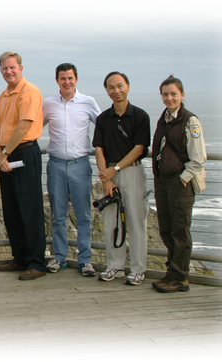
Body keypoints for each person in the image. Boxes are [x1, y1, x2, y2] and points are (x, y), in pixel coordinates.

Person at [0, 51, 47, 281]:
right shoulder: (4, 95)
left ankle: (37, 262)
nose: (9, 71)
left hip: (24, 153)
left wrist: (4, 153)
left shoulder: (29, 91)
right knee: (12, 209)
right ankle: (20, 257)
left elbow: (24, 126)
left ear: (21, 68)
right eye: (4, 68)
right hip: (6, 156)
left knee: (30, 209)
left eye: (12, 67)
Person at [92, 71, 151, 286]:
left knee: (136, 222)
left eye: (119, 86)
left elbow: (139, 149)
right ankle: (115, 266)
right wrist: (106, 179)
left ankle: (137, 269)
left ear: (127, 86)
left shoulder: (140, 116)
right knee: (111, 223)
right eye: (111, 87)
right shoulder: (103, 119)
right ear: (106, 90)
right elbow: (98, 149)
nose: (116, 91)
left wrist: (115, 169)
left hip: (131, 172)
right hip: (108, 174)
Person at [42, 63, 101, 277]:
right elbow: (32, 127)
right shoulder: (48, 104)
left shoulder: (88, 102)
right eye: (62, 78)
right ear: (57, 80)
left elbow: (102, 126)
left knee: (83, 214)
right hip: (56, 164)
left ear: (76, 79)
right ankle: (59, 257)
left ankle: (85, 260)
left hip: (81, 165)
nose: (67, 82)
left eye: (70, 78)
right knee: (58, 215)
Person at [151, 75, 206, 293]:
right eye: (165, 94)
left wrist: (183, 179)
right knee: (166, 229)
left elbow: (198, 158)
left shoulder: (190, 121)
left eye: (173, 93)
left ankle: (181, 278)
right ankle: (172, 273)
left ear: (182, 95)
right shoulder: (164, 119)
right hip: (163, 181)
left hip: (180, 182)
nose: (169, 97)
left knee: (180, 231)